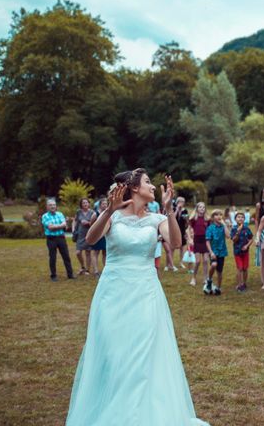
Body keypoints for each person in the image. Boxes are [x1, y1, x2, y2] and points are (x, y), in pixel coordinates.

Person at [66, 169, 208, 426]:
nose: (153, 187)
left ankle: (140, 415)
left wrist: (168, 211)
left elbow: (174, 243)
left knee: (141, 354)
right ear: (133, 188)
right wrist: (108, 211)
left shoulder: (156, 219)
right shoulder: (114, 216)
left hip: (145, 292)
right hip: (112, 293)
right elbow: (90, 238)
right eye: (147, 182)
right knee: (114, 352)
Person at [40, 198, 74, 281]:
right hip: (51, 239)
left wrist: (56, 226)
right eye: (50, 205)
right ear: (47, 207)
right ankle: (53, 276)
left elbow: (64, 224)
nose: (52, 206)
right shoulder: (45, 216)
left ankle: (70, 275)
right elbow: (50, 227)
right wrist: (60, 226)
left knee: (66, 256)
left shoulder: (60, 214)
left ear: (56, 206)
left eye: (54, 205)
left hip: (61, 238)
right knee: (53, 257)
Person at [205, 209, 230, 295]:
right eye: (216, 215)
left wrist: (224, 224)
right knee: (213, 264)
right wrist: (211, 252)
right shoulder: (210, 228)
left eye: (220, 215)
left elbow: (228, 236)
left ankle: (218, 287)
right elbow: (207, 241)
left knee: (219, 271)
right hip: (213, 251)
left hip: (222, 251)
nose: (219, 216)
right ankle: (209, 280)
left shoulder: (223, 227)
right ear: (212, 217)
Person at [230, 211, 254, 292]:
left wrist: (247, 245)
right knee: (239, 268)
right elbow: (234, 240)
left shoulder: (247, 228)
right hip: (237, 252)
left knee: (245, 268)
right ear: (235, 219)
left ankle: (244, 283)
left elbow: (251, 239)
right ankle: (239, 284)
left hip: (245, 252)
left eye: (242, 217)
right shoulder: (233, 229)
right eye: (238, 217)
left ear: (244, 219)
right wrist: (238, 231)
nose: (240, 218)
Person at [188, 202, 210, 286]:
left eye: (203, 207)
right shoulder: (193, 219)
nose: (202, 209)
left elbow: (209, 230)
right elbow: (188, 229)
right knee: (197, 261)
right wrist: (190, 239)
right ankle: (193, 278)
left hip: (205, 240)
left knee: (205, 260)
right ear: (197, 208)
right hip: (197, 240)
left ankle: (205, 278)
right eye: (200, 207)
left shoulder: (207, 219)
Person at [74, 198, 96, 276]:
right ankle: (82, 266)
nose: (85, 204)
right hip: (80, 235)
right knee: (78, 252)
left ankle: (87, 270)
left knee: (88, 252)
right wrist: (73, 229)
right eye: (83, 203)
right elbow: (75, 220)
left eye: (86, 203)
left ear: (89, 204)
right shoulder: (78, 212)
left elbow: (95, 223)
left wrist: (88, 222)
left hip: (89, 234)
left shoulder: (92, 212)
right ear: (81, 204)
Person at [90, 196, 108, 275]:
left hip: (105, 236)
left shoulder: (108, 213)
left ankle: (105, 269)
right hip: (97, 236)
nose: (105, 205)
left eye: (106, 204)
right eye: (103, 204)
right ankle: (96, 270)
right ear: (100, 205)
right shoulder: (95, 214)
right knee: (96, 252)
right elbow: (92, 224)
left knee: (105, 252)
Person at [174, 197, 189, 269]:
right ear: (177, 202)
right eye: (180, 202)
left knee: (182, 247)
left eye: (183, 202)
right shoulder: (173, 209)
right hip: (174, 230)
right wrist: (177, 210)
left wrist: (186, 220)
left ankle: (181, 262)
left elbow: (187, 223)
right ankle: (170, 263)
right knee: (172, 247)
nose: (181, 203)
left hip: (182, 230)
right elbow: (172, 218)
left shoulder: (185, 211)